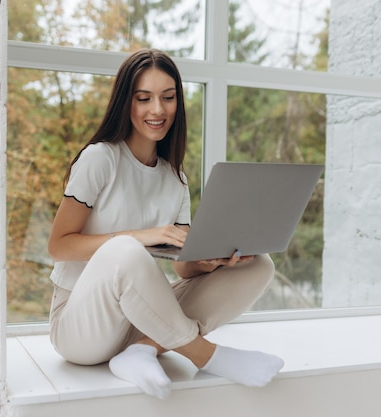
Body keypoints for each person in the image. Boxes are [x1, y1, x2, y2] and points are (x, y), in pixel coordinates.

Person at [47, 48, 284, 399]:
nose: (157, 110)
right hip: (80, 327)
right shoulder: (101, 159)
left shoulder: (176, 180)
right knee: (125, 250)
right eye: (144, 98)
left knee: (259, 266)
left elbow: (183, 271)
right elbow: (58, 245)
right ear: (126, 103)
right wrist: (140, 237)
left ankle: (143, 350)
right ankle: (207, 355)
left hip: (141, 321)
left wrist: (209, 261)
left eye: (168, 97)